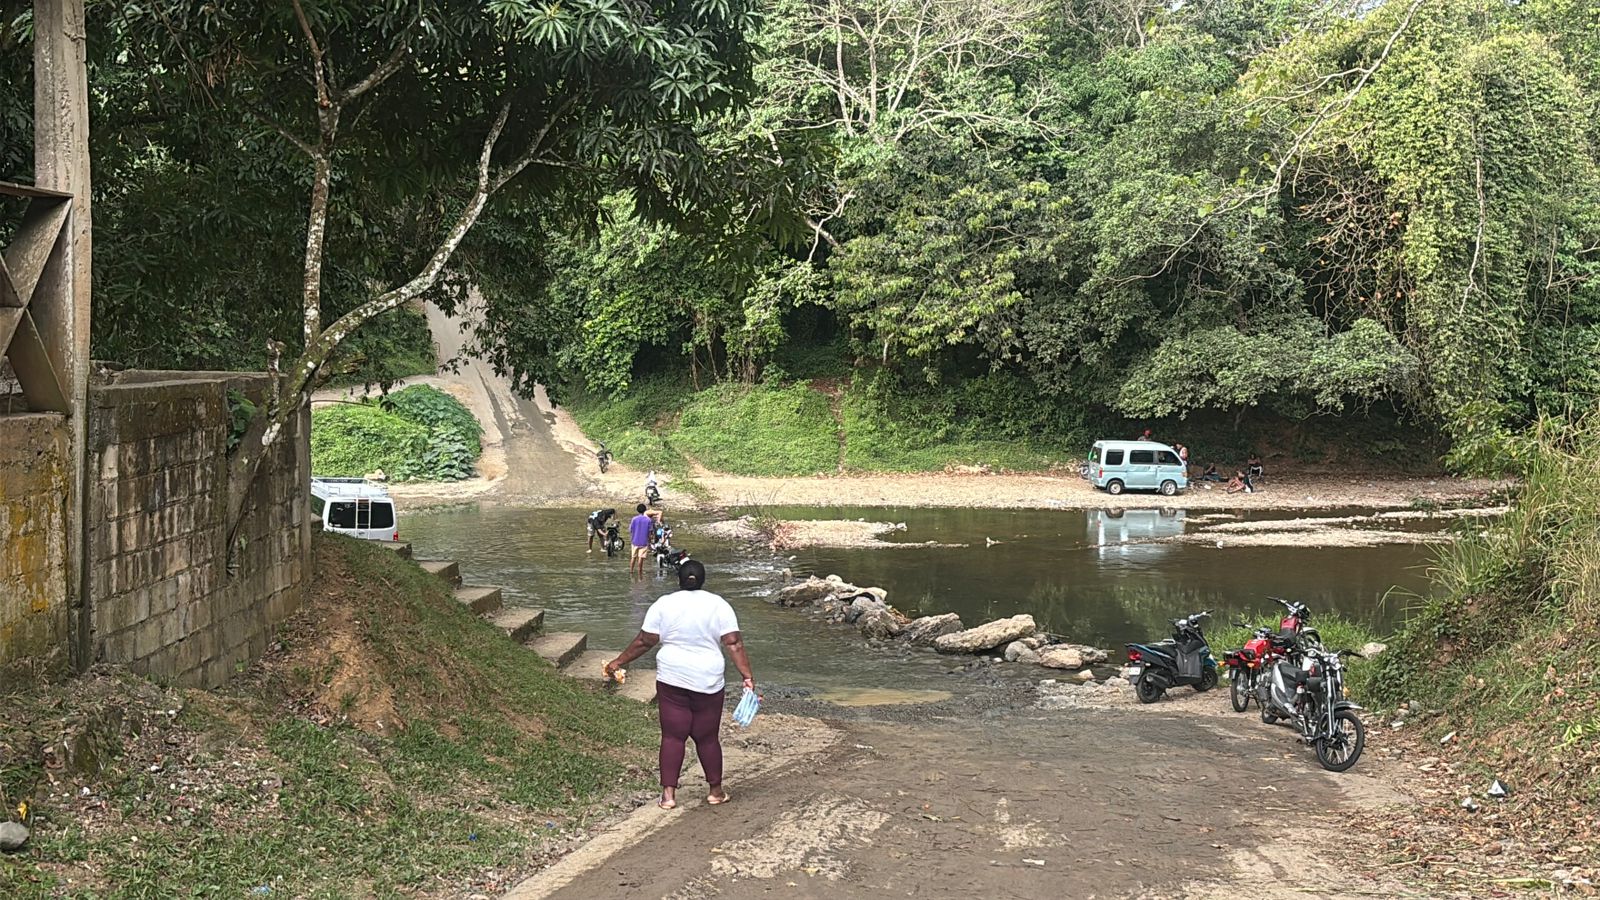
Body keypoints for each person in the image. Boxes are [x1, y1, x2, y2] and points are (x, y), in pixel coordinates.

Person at [604, 560, 755, 810]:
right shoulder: (719, 604)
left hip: (672, 678)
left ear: (679, 580)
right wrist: (747, 676)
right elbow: (733, 643)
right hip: (708, 680)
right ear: (704, 580)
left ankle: (668, 796)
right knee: (707, 738)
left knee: (672, 737)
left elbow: (645, 640)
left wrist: (618, 662)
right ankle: (715, 792)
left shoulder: (664, 604)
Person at [629, 503, 654, 576]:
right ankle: (640, 572)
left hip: (634, 541)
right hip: (644, 542)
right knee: (641, 558)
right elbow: (650, 532)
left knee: (633, 557)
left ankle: (631, 572)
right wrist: (650, 540)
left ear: (637, 510)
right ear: (645, 510)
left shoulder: (634, 519)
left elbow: (631, 530)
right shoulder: (648, 520)